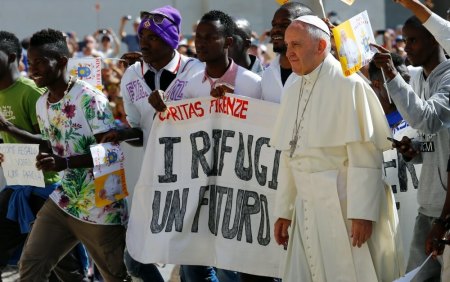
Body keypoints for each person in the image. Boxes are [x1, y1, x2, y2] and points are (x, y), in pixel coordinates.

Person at [271, 15, 402, 282]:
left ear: (320, 47)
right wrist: (284, 210)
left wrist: (362, 213)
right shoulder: (293, 84)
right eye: (287, 45)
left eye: (296, 44)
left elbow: (364, 155)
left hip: (342, 203)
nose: (289, 52)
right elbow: (289, 155)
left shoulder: (349, 85)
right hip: (306, 203)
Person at [149, 10, 261, 282]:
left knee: (233, 267)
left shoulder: (252, 84)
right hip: (199, 190)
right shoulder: (189, 86)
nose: (201, 43)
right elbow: (176, 131)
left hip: (239, 193)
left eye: (211, 37)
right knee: (194, 265)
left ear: (228, 42)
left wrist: (234, 110)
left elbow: (264, 135)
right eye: (198, 37)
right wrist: (163, 109)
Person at [18, 28, 128, 281]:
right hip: (65, 199)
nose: (32, 69)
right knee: (31, 266)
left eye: (40, 62)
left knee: (116, 276)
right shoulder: (41, 103)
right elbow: (52, 145)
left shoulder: (89, 98)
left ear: (63, 61)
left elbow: (110, 152)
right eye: (30, 62)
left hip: (101, 206)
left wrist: (64, 161)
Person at [103, 5, 203, 282]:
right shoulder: (132, 75)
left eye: (153, 38)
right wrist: (123, 135)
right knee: (135, 259)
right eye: (142, 37)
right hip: (150, 177)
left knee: (193, 263)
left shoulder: (195, 72)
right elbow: (139, 130)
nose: (144, 43)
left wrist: (168, 109)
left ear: (171, 41)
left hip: (189, 177)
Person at [0, 30, 88, 282]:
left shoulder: (30, 92)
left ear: (11, 57)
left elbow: (53, 144)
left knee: (64, 267)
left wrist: (11, 130)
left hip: (49, 188)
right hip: (18, 187)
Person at [372, 15, 450, 281]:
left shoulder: (449, 78)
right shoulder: (424, 79)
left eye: (413, 40)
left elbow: (425, 118)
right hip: (428, 208)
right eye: (405, 40)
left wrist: (392, 75)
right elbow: (437, 141)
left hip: (446, 213)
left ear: (435, 39)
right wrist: (415, 148)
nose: (406, 47)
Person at [261, 1, 313, 103]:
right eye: (274, 25)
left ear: (307, 30)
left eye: (285, 25)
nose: (275, 30)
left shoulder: (319, 74)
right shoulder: (267, 75)